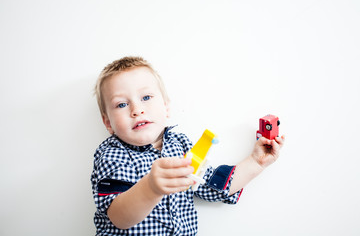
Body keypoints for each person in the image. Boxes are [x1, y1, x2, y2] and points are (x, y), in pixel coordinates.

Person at [91, 56, 285, 235]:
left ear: (166, 108)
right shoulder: (111, 154)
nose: (137, 110)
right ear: (108, 123)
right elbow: (117, 217)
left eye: (146, 98)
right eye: (122, 105)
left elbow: (213, 185)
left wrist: (256, 162)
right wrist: (150, 188)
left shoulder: (180, 145)